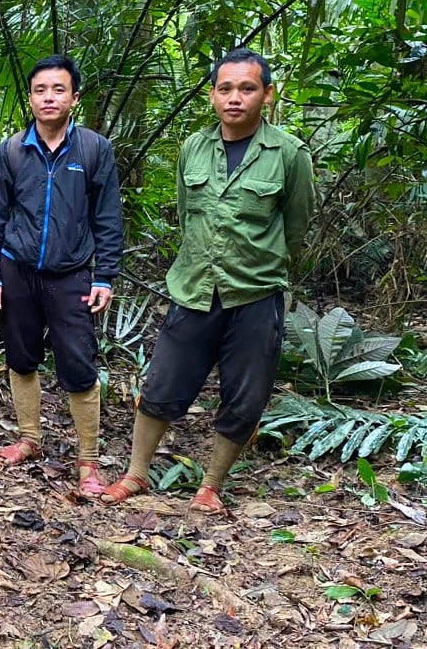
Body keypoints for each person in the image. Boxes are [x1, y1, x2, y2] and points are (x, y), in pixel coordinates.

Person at [101, 47, 315, 513]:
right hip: (194, 288)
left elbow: (295, 226)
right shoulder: (193, 148)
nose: (234, 98)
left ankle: (211, 485)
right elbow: (186, 214)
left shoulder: (289, 154)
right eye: (225, 88)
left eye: (247, 88)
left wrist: (262, 263)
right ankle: (136, 474)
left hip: (256, 294)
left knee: (244, 397)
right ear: (213, 95)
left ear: (267, 94)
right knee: (161, 386)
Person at [0, 54, 123, 496]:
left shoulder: (94, 149)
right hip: (17, 269)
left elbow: (108, 217)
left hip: (71, 275)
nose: (48, 98)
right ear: (30, 98)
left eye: (58, 90)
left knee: (79, 366)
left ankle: (89, 461)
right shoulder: (12, 150)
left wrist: (105, 276)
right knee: (21, 358)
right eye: (40, 90)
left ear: (74, 98)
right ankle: (29, 439)